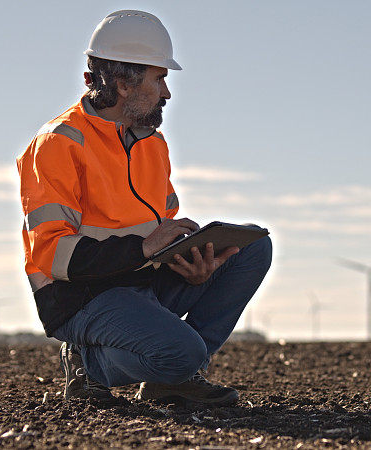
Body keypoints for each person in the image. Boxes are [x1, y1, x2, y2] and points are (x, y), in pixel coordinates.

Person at [16, 10, 272, 406]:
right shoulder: (58, 143)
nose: (167, 92)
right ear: (123, 82)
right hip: (83, 298)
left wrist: (191, 263)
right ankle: (91, 360)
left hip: (144, 283)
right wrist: (145, 249)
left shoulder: (154, 144)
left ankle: (172, 376)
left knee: (253, 246)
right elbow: (53, 256)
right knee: (181, 351)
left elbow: (160, 232)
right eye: (159, 78)